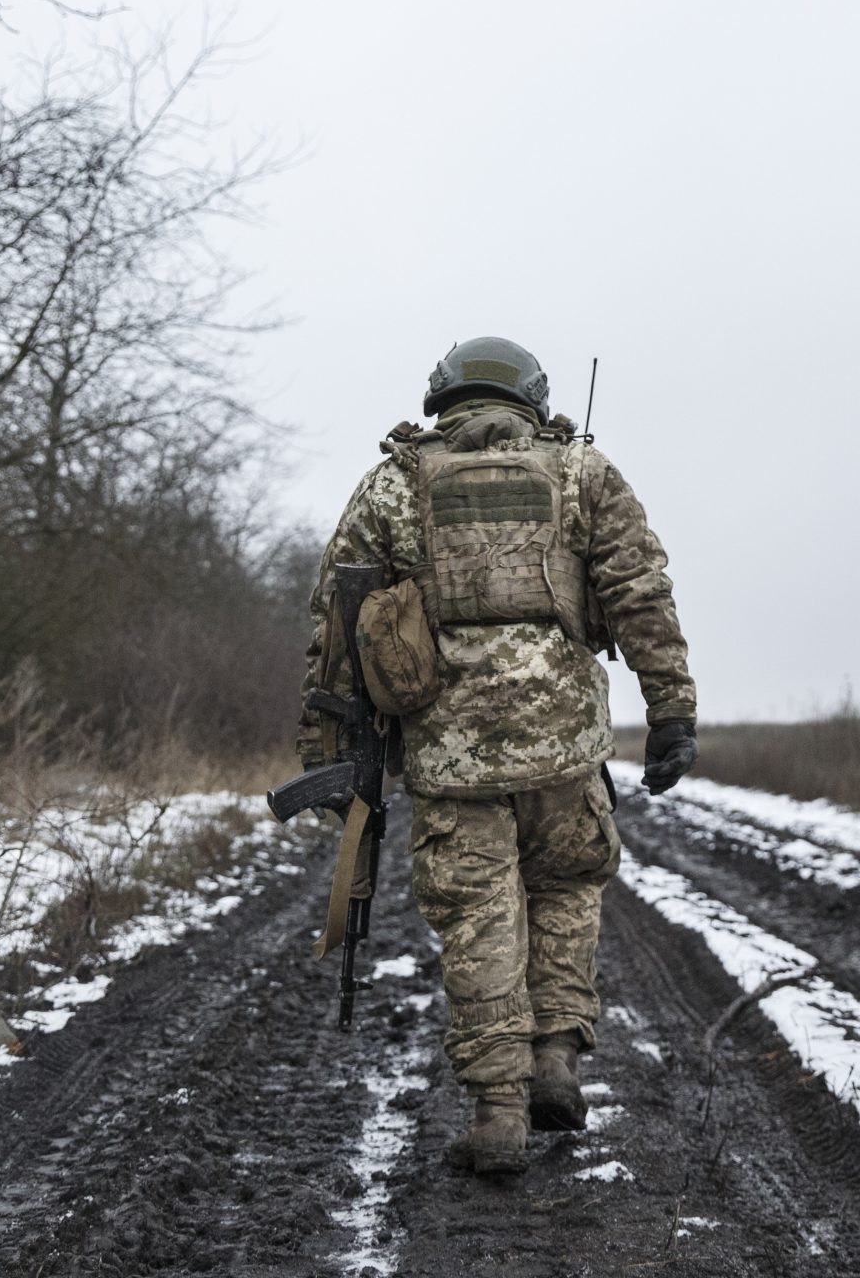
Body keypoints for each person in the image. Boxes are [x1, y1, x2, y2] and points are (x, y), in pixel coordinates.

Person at [296, 336, 698, 1173]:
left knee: (478, 921)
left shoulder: (396, 482)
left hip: (452, 757)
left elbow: (337, 624)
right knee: (565, 894)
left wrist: (329, 752)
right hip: (566, 750)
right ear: (532, 397)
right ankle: (556, 1059)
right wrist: (672, 712)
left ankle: (499, 1116)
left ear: (444, 396)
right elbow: (640, 592)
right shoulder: (583, 475)